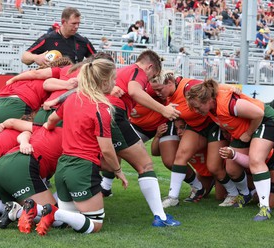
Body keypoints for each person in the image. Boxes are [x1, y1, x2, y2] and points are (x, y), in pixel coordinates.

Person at [31, 59, 128, 236]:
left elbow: (51, 119)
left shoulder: (72, 98)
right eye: (114, 79)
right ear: (104, 81)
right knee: (95, 223)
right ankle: (52, 211)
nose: (115, 83)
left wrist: (48, 128)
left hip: (63, 167)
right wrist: (118, 170)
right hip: (82, 168)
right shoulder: (102, 108)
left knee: (68, 220)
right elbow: (106, 149)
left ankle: (37, 211)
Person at [101, 50, 181, 227]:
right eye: (154, 75)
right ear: (150, 67)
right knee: (145, 165)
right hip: (114, 115)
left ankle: (58, 207)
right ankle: (160, 216)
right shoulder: (138, 71)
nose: (151, 79)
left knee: (94, 163)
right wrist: (164, 110)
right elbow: (135, 91)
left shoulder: (121, 72)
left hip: (99, 114)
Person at [186, 79, 274, 221]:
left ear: (208, 100)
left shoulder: (227, 103)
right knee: (231, 168)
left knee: (256, 159)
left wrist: (248, 134)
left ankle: (264, 208)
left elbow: (258, 114)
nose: (197, 112)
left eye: (198, 107)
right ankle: (246, 194)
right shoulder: (212, 103)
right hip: (245, 128)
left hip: (264, 120)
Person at [153, 71, 241, 208]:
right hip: (196, 127)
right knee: (180, 156)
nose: (157, 93)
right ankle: (173, 197)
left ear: (170, 83)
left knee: (214, 167)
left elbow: (210, 87)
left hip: (213, 124)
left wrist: (230, 88)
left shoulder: (188, 87)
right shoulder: (168, 94)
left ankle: (234, 193)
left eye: (159, 89)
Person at [21, 7, 96, 65]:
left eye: (78, 23)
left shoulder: (83, 41)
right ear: (63, 22)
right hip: (52, 82)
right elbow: (24, 57)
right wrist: (36, 57)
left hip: (73, 82)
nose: (76, 26)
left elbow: (98, 61)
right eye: (73, 23)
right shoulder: (48, 38)